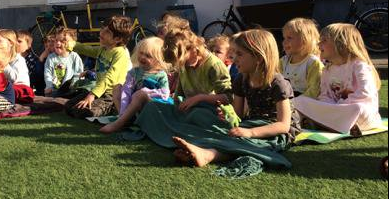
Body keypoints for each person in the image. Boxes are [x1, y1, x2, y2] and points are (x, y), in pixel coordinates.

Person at [135, 29, 299, 170]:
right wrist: (228, 115)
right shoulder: (242, 80)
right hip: (250, 123)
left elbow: (283, 125)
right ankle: (202, 151)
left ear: (258, 57)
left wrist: (250, 132)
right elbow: (238, 115)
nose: (234, 60)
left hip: (276, 131)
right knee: (227, 134)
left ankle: (207, 154)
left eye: (240, 54)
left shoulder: (278, 83)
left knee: (246, 141)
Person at [294, 23, 382, 134]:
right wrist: (328, 107)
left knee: (357, 108)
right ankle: (335, 124)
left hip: (358, 112)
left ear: (341, 44)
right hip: (336, 112)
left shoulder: (359, 66)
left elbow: (364, 94)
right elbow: (325, 96)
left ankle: (326, 123)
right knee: (299, 101)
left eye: (324, 40)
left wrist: (339, 106)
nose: (318, 43)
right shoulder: (327, 70)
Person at [64, 16, 133, 118]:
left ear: (117, 39)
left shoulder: (121, 53)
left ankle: (113, 108)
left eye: (107, 32)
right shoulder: (104, 48)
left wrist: (92, 95)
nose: (101, 33)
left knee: (86, 112)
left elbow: (109, 77)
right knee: (68, 106)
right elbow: (89, 50)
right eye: (102, 29)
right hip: (99, 91)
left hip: (112, 95)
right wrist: (73, 44)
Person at [100, 37, 170, 134]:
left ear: (158, 59)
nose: (142, 57)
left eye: (148, 56)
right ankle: (124, 118)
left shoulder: (160, 74)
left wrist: (146, 92)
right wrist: (123, 110)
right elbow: (126, 91)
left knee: (139, 94)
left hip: (149, 108)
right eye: (141, 53)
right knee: (117, 87)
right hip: (131, 106)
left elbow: (165, 94)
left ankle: (120, 123)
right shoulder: (134, 72)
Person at [163, 27, 233, 110]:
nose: (182, 65)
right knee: (153, 107)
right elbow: (179, 95)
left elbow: (228, 97)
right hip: (190, 111)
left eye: (183, 61)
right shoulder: (184, 66)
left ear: (194, 48)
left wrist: (200, 98)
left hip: (211, 113)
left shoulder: (214, 65)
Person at [278, 18, 323, 98]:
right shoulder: (283, 61)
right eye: (284, 38)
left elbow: (314, 90)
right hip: (286, 100)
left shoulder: (312, 63)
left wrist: (296, 102)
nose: (284, 42)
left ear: (305, 40)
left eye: (289, 38)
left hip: (304, 104)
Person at [0, 29, 33, 103]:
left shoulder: (19, 59)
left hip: (22, 90)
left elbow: (14, 78)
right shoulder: (2, 57)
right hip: (8, 88)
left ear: (10, 43)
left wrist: (3, 64)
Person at [44, 28, 83, 97]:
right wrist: (49, 86)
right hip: (54, 90)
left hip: (70, 90)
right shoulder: (51, 58)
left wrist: (74, 85)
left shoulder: (74, 57)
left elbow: (79, 73)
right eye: (56, 40)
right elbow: (48, 73)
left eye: (62, 41)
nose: (58, 43)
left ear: (71, 44)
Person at [16, 30, 44, 95]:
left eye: (19, 41)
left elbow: (33, 77)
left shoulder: (32, 59)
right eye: (15, 41)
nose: (16, 43)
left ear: (28, 45)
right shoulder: (11, 57)